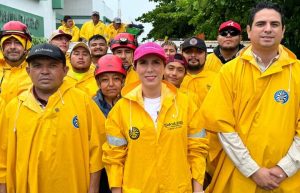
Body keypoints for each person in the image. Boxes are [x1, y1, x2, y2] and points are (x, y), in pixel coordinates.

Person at [201, 1, 300, 192]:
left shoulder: (297, 72)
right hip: (239, 176)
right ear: (249, 30)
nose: (268, 29)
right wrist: (252, 170)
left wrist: (283, 169)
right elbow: (222, 126)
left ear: (283, 30)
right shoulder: (230, 71)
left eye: (274, 24)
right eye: (261, 24)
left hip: (288, 180)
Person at [103, 42, 208, 193]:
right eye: (144, 63)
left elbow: (197, 151)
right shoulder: (121, 109)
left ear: (164, 67)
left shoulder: (186, 104)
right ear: (135, 67)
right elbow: (114, 159)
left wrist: (198, 190)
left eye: (156, 63)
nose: (150, 69)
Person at [0, 43, 106, 193]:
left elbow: (97, 151)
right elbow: (3, 157)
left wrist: (93, 188)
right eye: (37, 66)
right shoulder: (14, 107)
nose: (44, 71)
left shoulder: (83, 102)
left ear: (65, 70)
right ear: (28, 71)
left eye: (52, 66)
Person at [93, 54, 126, 193]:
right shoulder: (90, 106)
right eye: (105, 80)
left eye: (116, 79)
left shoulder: (131, 105)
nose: (111, 84)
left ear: (123, 81)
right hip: (99, 170)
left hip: (123, 167)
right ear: (98, 83)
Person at [0, 20, 32, 103]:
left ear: (27, 46)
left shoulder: (37, 71)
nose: (12, 47)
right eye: (7, 43)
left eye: (18, 43)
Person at [180, 37, 216, 105]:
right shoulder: (175, 78)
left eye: (199, 52)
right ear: (182, 55)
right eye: (188, 52)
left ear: (206, 55)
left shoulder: (217, 79)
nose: (193, 55)